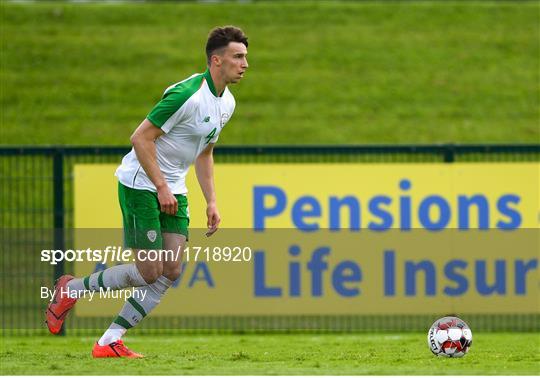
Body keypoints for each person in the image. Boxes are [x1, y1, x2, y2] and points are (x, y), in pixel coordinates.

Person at [46, 26, 249, 358]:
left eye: (245, 57)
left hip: (173, 189)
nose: (244, 64)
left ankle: (109, 340)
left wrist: (211, 200)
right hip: (141, 183)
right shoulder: (186, 95)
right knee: (149, 271)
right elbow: (140, 138)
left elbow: (205, 153)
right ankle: (70, 289)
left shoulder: (227, 102)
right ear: (217, 60)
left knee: (170, 270)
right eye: (237, 57)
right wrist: (161, 186)